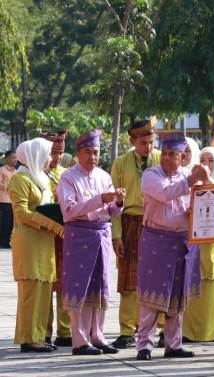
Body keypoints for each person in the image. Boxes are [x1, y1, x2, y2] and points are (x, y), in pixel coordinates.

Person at [135, 131, 208, 361]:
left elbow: (207, 201)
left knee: (178, 296)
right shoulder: (150, 175)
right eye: (164, 153)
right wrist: (191, 181)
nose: (166, 158)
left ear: (183, 156)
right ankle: (144, 345)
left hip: (182, 241)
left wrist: (204, 181)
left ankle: (173, 345)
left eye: (172, 155)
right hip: (156, 240)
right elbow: (164, 195)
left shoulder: (189, 176)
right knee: (152, 296)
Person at [57, 129, 125, 356]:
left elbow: (111, 211)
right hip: (79, 236)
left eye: (96, 152)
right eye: (88, 152)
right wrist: (100, 199)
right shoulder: (68, 177)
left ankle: (98, 335)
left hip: (102, 235)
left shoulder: (104, 176)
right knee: (80, 287)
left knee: (100, 287)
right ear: (78, 153)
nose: (93, 157)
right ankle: (80, 340)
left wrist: (118, 202)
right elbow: (69, 211)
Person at [110, 118, 161, 349]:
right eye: (142, 142)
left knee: (158, 278)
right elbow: (114, 202)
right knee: (129, 280)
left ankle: (158, 327)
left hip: (158, 224)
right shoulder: (120, 163)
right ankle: (127, 329)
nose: (148, 147)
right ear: (132, 141)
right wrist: (116, 235)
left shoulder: (163, 159)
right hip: (130, 223)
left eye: (150, 142)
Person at [10, 138, 56, 352]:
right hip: (29, 241)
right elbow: (20, 212)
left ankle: (39, 335)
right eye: (47, 154)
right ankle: (29, 339)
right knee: (31, 292)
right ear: (34, 155)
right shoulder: (20, 178)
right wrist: (48, 222)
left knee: (43, 290)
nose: (50, 158)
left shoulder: (42, 179)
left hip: (45, 241)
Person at [183, 146, 214, 342]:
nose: (207, 165)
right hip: (194, 242)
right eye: (203, 160)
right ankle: (188, 331)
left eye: (211, 160)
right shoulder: (191, 184)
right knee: (193, 285)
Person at [41, 130, 73, 348]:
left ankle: (65, 330)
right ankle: (43, 331)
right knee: (45, 285)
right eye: (53, 152)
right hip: (42, 236)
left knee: (64, 283)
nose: (56, 157)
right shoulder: (36, 173)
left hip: (65, 237)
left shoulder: (66, 174)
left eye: (60, 152)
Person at [0, 150, 16, 248]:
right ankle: (2, 242)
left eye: (16, 158)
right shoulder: (1, 170)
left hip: (13, 200)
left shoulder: (17, 171)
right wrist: (8, 186)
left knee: (11, 221)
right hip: (4, 199)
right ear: (7, 158)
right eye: (13, 157)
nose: (15, 160)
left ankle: (7, 242)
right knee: (6, 221)